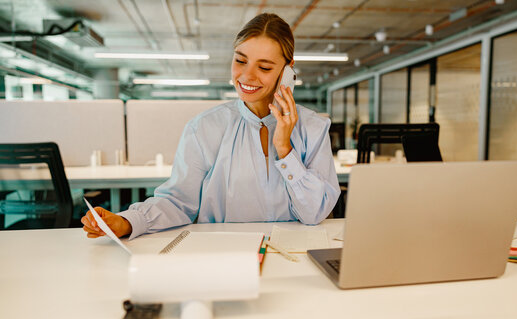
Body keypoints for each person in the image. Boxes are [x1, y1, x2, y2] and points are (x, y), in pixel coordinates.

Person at [82, 13, 340, 239]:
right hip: (225, 255)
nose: (247, 76)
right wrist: (127, 222)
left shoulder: (313, 128)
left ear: (287, 71)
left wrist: (285, 149)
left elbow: (313, 214)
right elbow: (177, 202)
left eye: (264, 67)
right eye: (240, 61)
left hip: (293, 259)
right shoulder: (204, 128)